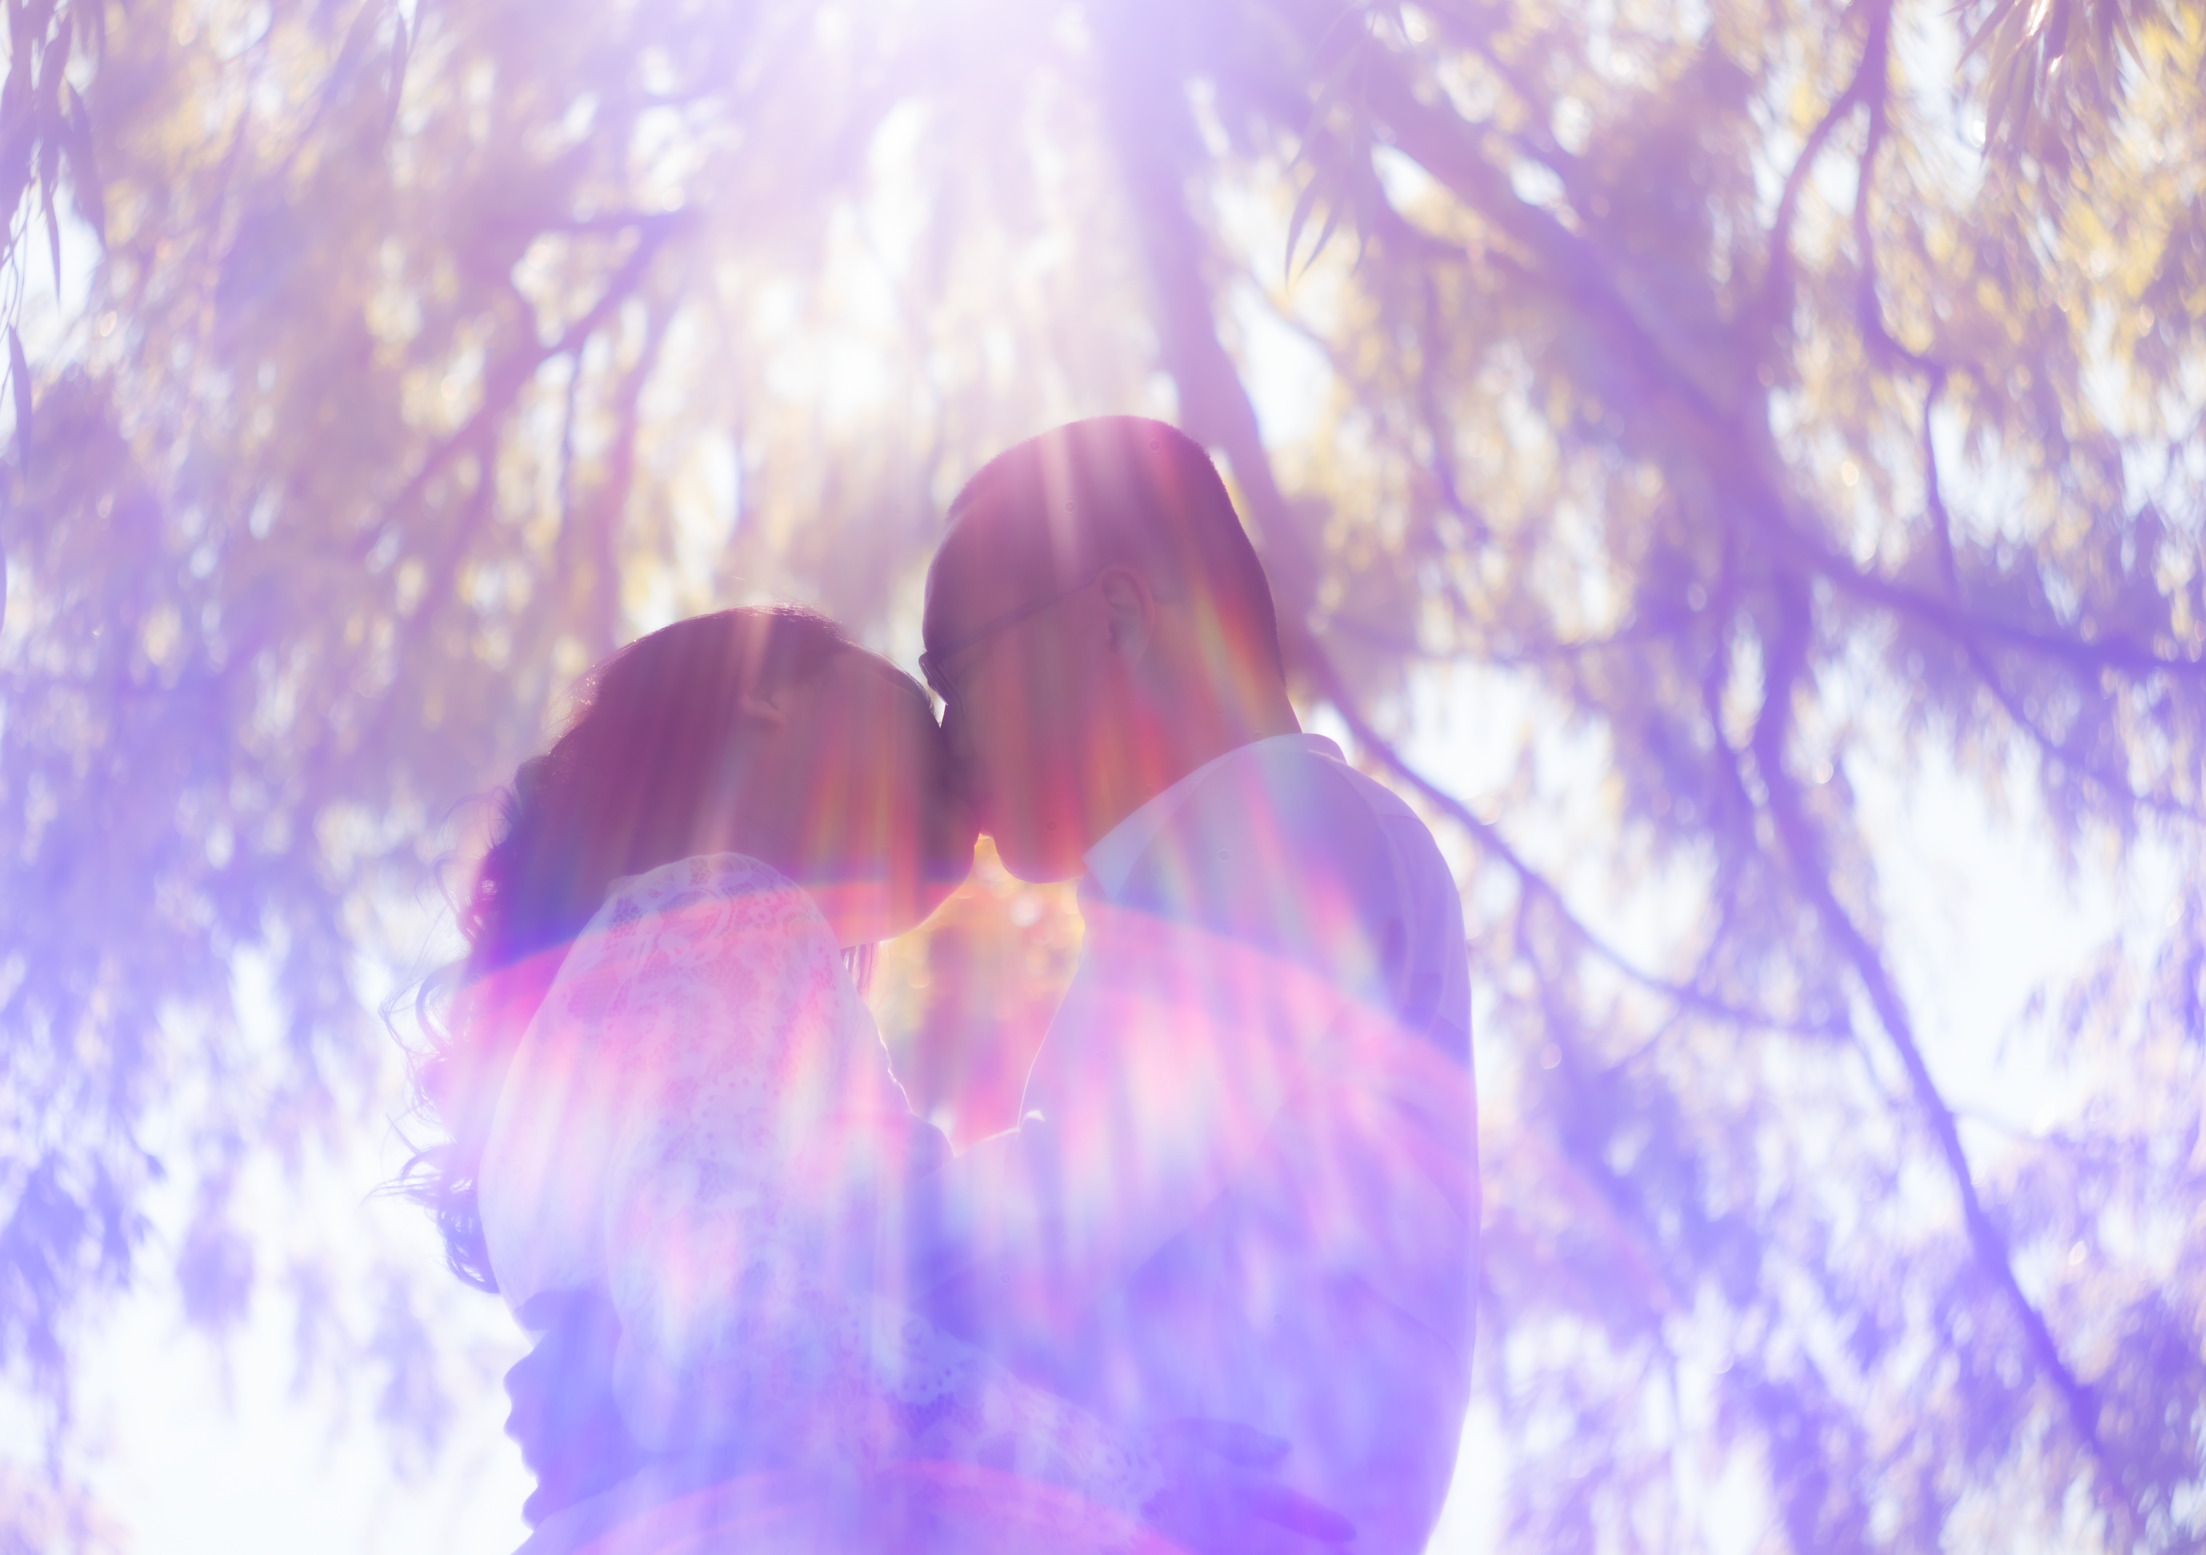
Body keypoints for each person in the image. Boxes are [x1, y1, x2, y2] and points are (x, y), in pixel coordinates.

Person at [406, 606, 1179, 1553]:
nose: (953, 731)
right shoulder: (724, 921)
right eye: (914, 685)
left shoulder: (623, 995)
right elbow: (732, 1315)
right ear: (766, 693)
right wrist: (1129, 1481)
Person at [908, 416, 1477, 1551]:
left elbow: (1083, 1197)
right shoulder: (1200, 885)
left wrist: (790, 1224)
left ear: (1116, 617)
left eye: (956, 677)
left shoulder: (1287, 825)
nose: (944, 739)